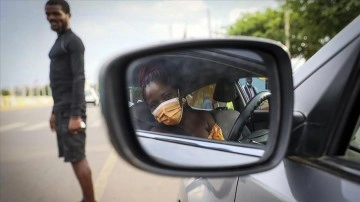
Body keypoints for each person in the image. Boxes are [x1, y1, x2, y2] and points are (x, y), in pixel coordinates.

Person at [45, 1, 96, 202]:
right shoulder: (60, 41)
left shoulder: (73, 42)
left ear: (68, 14)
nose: (51, 18)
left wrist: (75, 115)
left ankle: (90, 200)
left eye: (56, 13)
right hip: (62, 109)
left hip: (71, 111)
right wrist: (53, 111)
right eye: (48, 15)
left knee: (77, 157)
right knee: (74, 157)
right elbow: (60, 84)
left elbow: (78, 78)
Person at [139, 65, 224, 140]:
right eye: (154, 105)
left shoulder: (204, 118)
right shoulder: (156, 134)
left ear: (179, 93)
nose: (163, 108)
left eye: (167, 96)